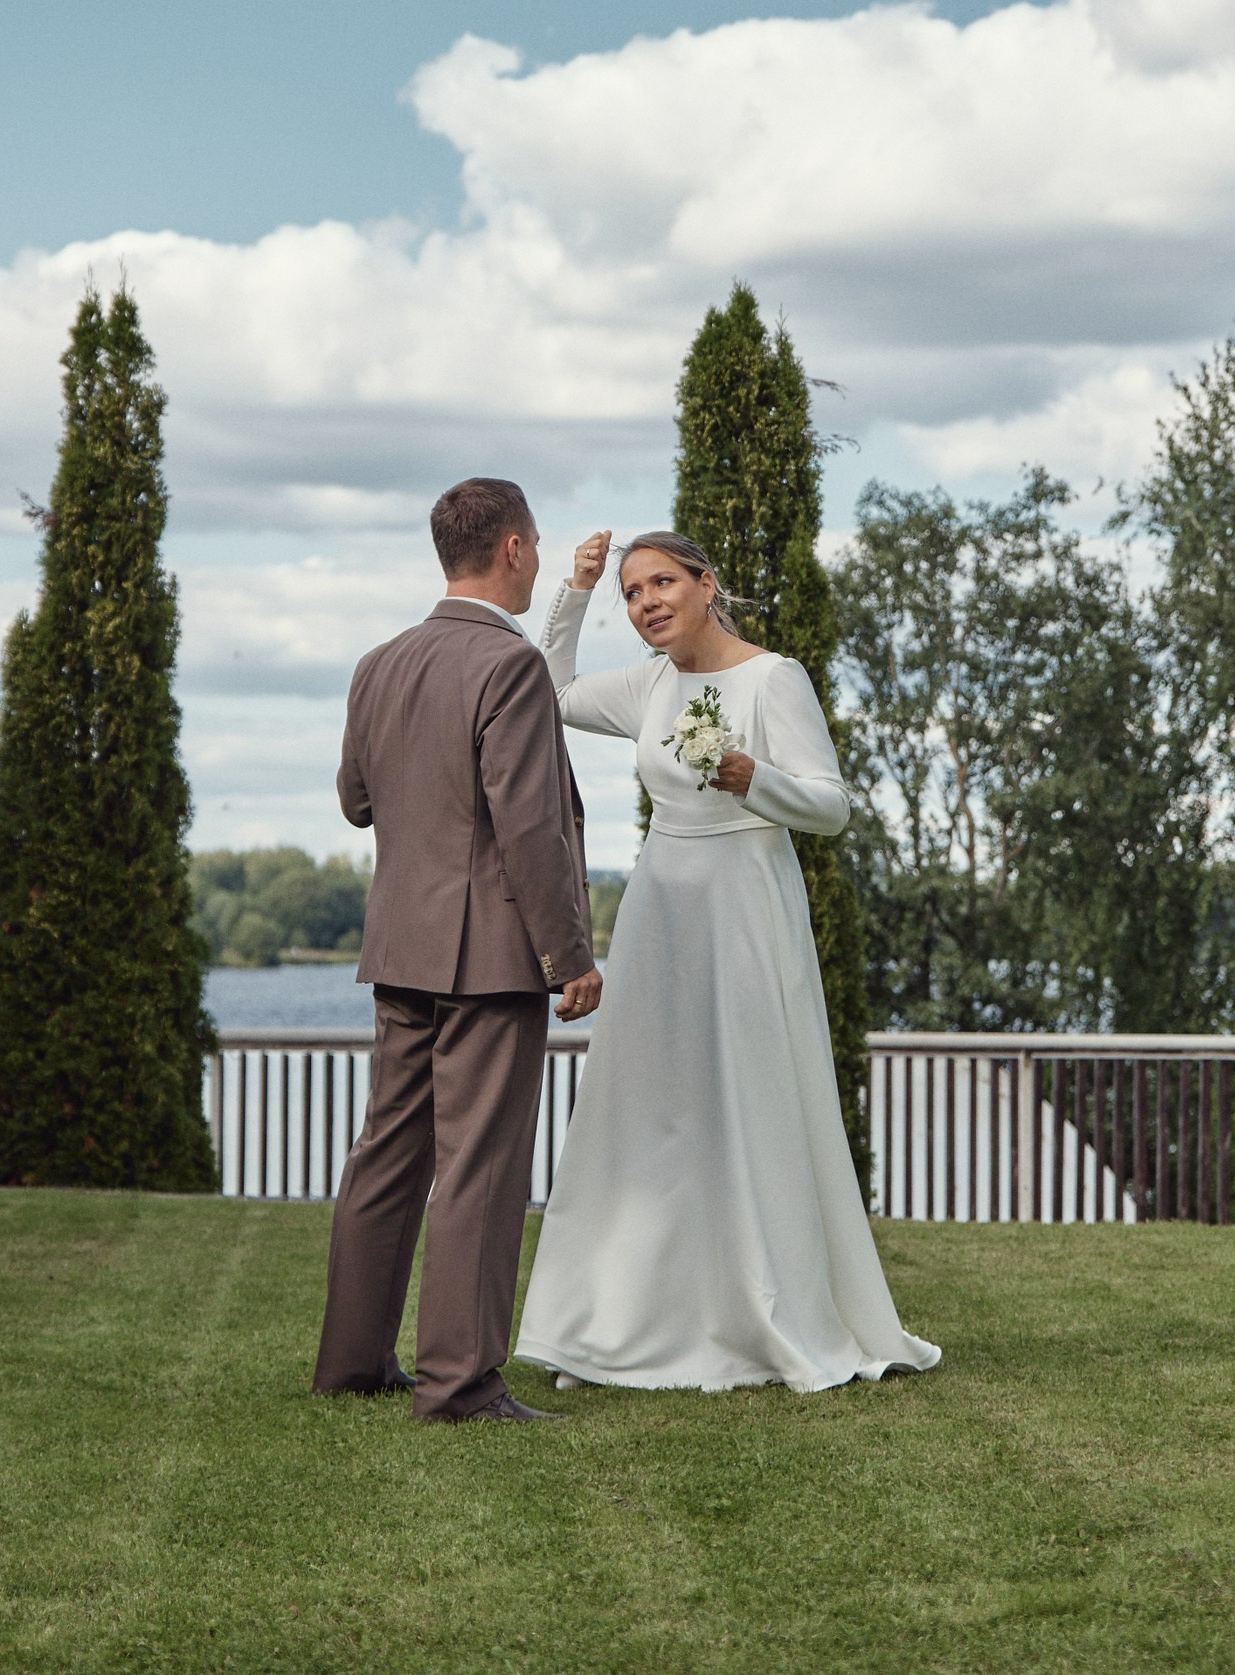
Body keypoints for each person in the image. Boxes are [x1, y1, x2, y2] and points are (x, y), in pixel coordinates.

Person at [514, 530, 940, 1392]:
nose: (646, 604)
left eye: (661, 582)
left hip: (747, 902)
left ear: (707, 584)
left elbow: (832, 807)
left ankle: (761, 1314)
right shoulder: (649, 682)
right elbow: (550, 691)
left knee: (748, 1099)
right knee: (650, 1108)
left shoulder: (773, 678)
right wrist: (577, 589)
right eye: (633, 594)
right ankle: (624, 1320)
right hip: (662, 907)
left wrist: (756, 778)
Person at [311, 477, 605, 1423]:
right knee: (479, 1161)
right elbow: (531, 828)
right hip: (488, 956)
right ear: (514, 548)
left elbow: (357, 799)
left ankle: (354, 1363)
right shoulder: (508, 667)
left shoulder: (379, 662)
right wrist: (570, 957)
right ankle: (461, 1381)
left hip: (399, 945)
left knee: (387, 1153)